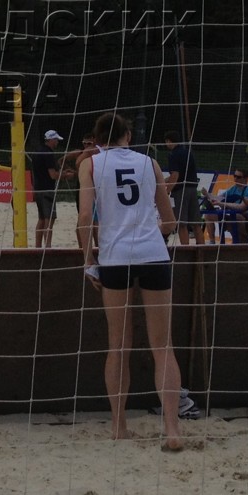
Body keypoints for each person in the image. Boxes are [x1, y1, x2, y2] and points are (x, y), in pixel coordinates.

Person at [77, 110, 185, 451]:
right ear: (127, 136)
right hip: (153, 253)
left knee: (118, 345)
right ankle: (172, 429)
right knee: (163, 346)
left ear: (97, 140)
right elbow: (170, 221)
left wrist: (88, 260)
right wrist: (153, 230)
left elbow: (84, 217)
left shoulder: (90, 164)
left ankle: (118, 426)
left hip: (115, 257)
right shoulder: (149, 163)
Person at [163, 132, 201, 244]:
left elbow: (175, 175)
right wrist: (165, 180)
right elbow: (183, 173)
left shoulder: (173, 155)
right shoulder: (188, 152)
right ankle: (201, 249)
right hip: (192, 189)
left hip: (180, 191)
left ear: (168, 141)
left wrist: (167, 191)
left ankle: (185, 248)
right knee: (196, 223)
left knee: (181, 223)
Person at [31, 129, 65, 247]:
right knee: (49, 219)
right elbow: (53, 175)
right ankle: (48, 246)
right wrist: (65, 175)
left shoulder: (37, 151)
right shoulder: (48, 153)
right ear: (51, 140)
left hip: (38, 188)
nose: (57, 142)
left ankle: (37, 246)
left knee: (41, 218)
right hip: (47, 189)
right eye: (56, 140)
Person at [204, 167, 248, 243]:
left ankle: (238, 239)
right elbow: (219, 198)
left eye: (238, 177)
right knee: (208, 215)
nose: (235, 179)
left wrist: (222, 203)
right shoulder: (233, 188)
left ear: (246, 179)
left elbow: (242, 208)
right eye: (234, 176)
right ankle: (212, 242)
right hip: (232, 216)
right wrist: (207, 195)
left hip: (244, 218)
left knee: (235, 217)